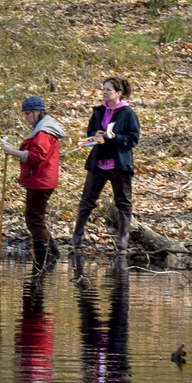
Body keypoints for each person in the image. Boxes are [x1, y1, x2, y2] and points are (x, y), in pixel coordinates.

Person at [68, 76, 140, 254]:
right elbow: (90, 132)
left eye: (108, 89)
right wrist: (96, 134)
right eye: (104, 89)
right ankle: (77, 236)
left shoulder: (128, 113)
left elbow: (133, 139)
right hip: (98, 162)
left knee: (123, 202)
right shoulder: (98, 111)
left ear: (118, 93)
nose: (105, 92)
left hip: (119, 164)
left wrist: (115, 137)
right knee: (87, 200)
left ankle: (123, 239)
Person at [0, 95, 66, 267]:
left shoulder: (43, 131)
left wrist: (12, 151)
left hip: (40, 180)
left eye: (28, 113)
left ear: (37, 112)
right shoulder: (42, 128)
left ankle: (44, 260)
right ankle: (50, 255)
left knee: (34, 219)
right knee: (34, 218)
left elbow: (36, 157)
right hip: (40, 179)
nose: (26, 117)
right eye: (25, 114)